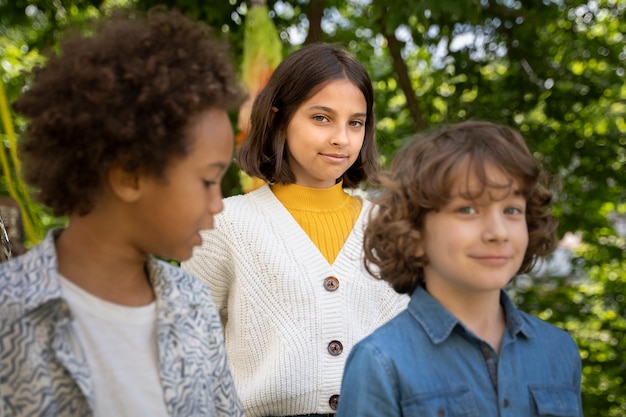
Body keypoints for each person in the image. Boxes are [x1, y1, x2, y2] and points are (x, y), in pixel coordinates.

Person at [0, 8, 246, 417]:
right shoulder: (9, 310)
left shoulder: (194, 305)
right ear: (130, 175)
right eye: (207, 180)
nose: (218, 203)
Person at [181, 42, 409, 417]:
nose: (341, 137)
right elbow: (190, 351)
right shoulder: (223, 224)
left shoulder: (390, 227)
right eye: (321, 118)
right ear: (277, 119)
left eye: (356, 122)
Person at [336, 120, 584, 416]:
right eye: (467, 209)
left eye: (511, 210)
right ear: (413, 234)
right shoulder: (380, 362)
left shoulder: (558, 350)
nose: (498, 232)